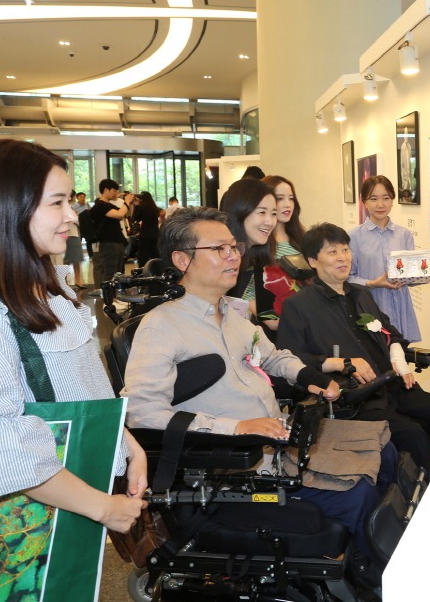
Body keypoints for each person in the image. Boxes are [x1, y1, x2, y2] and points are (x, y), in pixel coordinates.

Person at [121, 207, 395, 582]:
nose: (233, 256)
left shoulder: (231, 316)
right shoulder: (162, 327)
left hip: (278, 443)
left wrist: (311, 377)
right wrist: (235, 427)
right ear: (183, 260)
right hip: (234, 468)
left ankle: (370, 563)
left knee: (384, 447)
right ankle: (370, 578)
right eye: (219, 249)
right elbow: (141, 413)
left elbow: (273, 356)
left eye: (233, 247)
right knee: (358, 495)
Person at [0, 139, 147, 582]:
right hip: (21, 526)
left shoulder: (52, 288)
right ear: (6, 210)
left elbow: (81, 388)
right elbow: (4, 448)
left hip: (70, 497)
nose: (72, 215)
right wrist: (103, 508)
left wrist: (127, 444)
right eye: (57, 202)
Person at [277, 223, 430, 476]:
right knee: (413, 434)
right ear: (313, 260)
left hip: (392, 386)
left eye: (345, 250)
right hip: (355, 399)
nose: (342, 257)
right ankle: (417, 497)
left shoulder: (361, 294)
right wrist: (341, 362)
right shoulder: (299, 306)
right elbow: (290, 361)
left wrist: (399, 359)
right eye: (332, 252)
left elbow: (391, 334)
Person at [349, 175, 430, 343]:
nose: (380, 204)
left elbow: (408, 276)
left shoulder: (404, 235)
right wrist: (372, 283)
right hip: (369, 306)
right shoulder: (353, 237)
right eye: (374, 199)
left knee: (400, 354)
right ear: (364, 202)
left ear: (392, 200)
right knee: (374, 354)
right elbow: (348, 278)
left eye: (386, 198)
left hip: (399, 306)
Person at [220, 178, 294, 339]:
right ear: (240, 212)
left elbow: (270, 316)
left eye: (273, 214)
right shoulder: (220, 257)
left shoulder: (260, 260)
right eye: (262, 212)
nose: (270, 222)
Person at [90, 178, 128, 289]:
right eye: (114, 191)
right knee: (110, 271)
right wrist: (127, 202)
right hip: (108, 242)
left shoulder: (109, 205)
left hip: (116, 241)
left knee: (118, 271)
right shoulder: (100, 205)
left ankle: (115, 293)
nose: (116, 193)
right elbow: (119, 214)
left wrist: (126, 201)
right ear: (106, 190)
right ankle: (108, 295)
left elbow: (123, 212)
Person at [264, 175, 306, 255]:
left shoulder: (301, 237)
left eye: (291, 198)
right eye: (280, 198)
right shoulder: (259, 239)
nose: (288, 205)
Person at [63, 190, 86, 288]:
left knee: (74, 259)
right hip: (69, 234)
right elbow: (76, 221)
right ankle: (66, 282)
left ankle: (76, 280)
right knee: (70, 259)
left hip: (72, 233)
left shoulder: (70, 207)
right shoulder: (66, 208)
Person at [133, 191, 161, 266]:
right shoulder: (155, 208)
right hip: (155, 233)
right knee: (155, 253)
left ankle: (143, 269)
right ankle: (157, 268)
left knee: (143, 254)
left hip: (145, 233)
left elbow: (136, 218)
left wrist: (137, 205)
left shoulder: (142, 208)